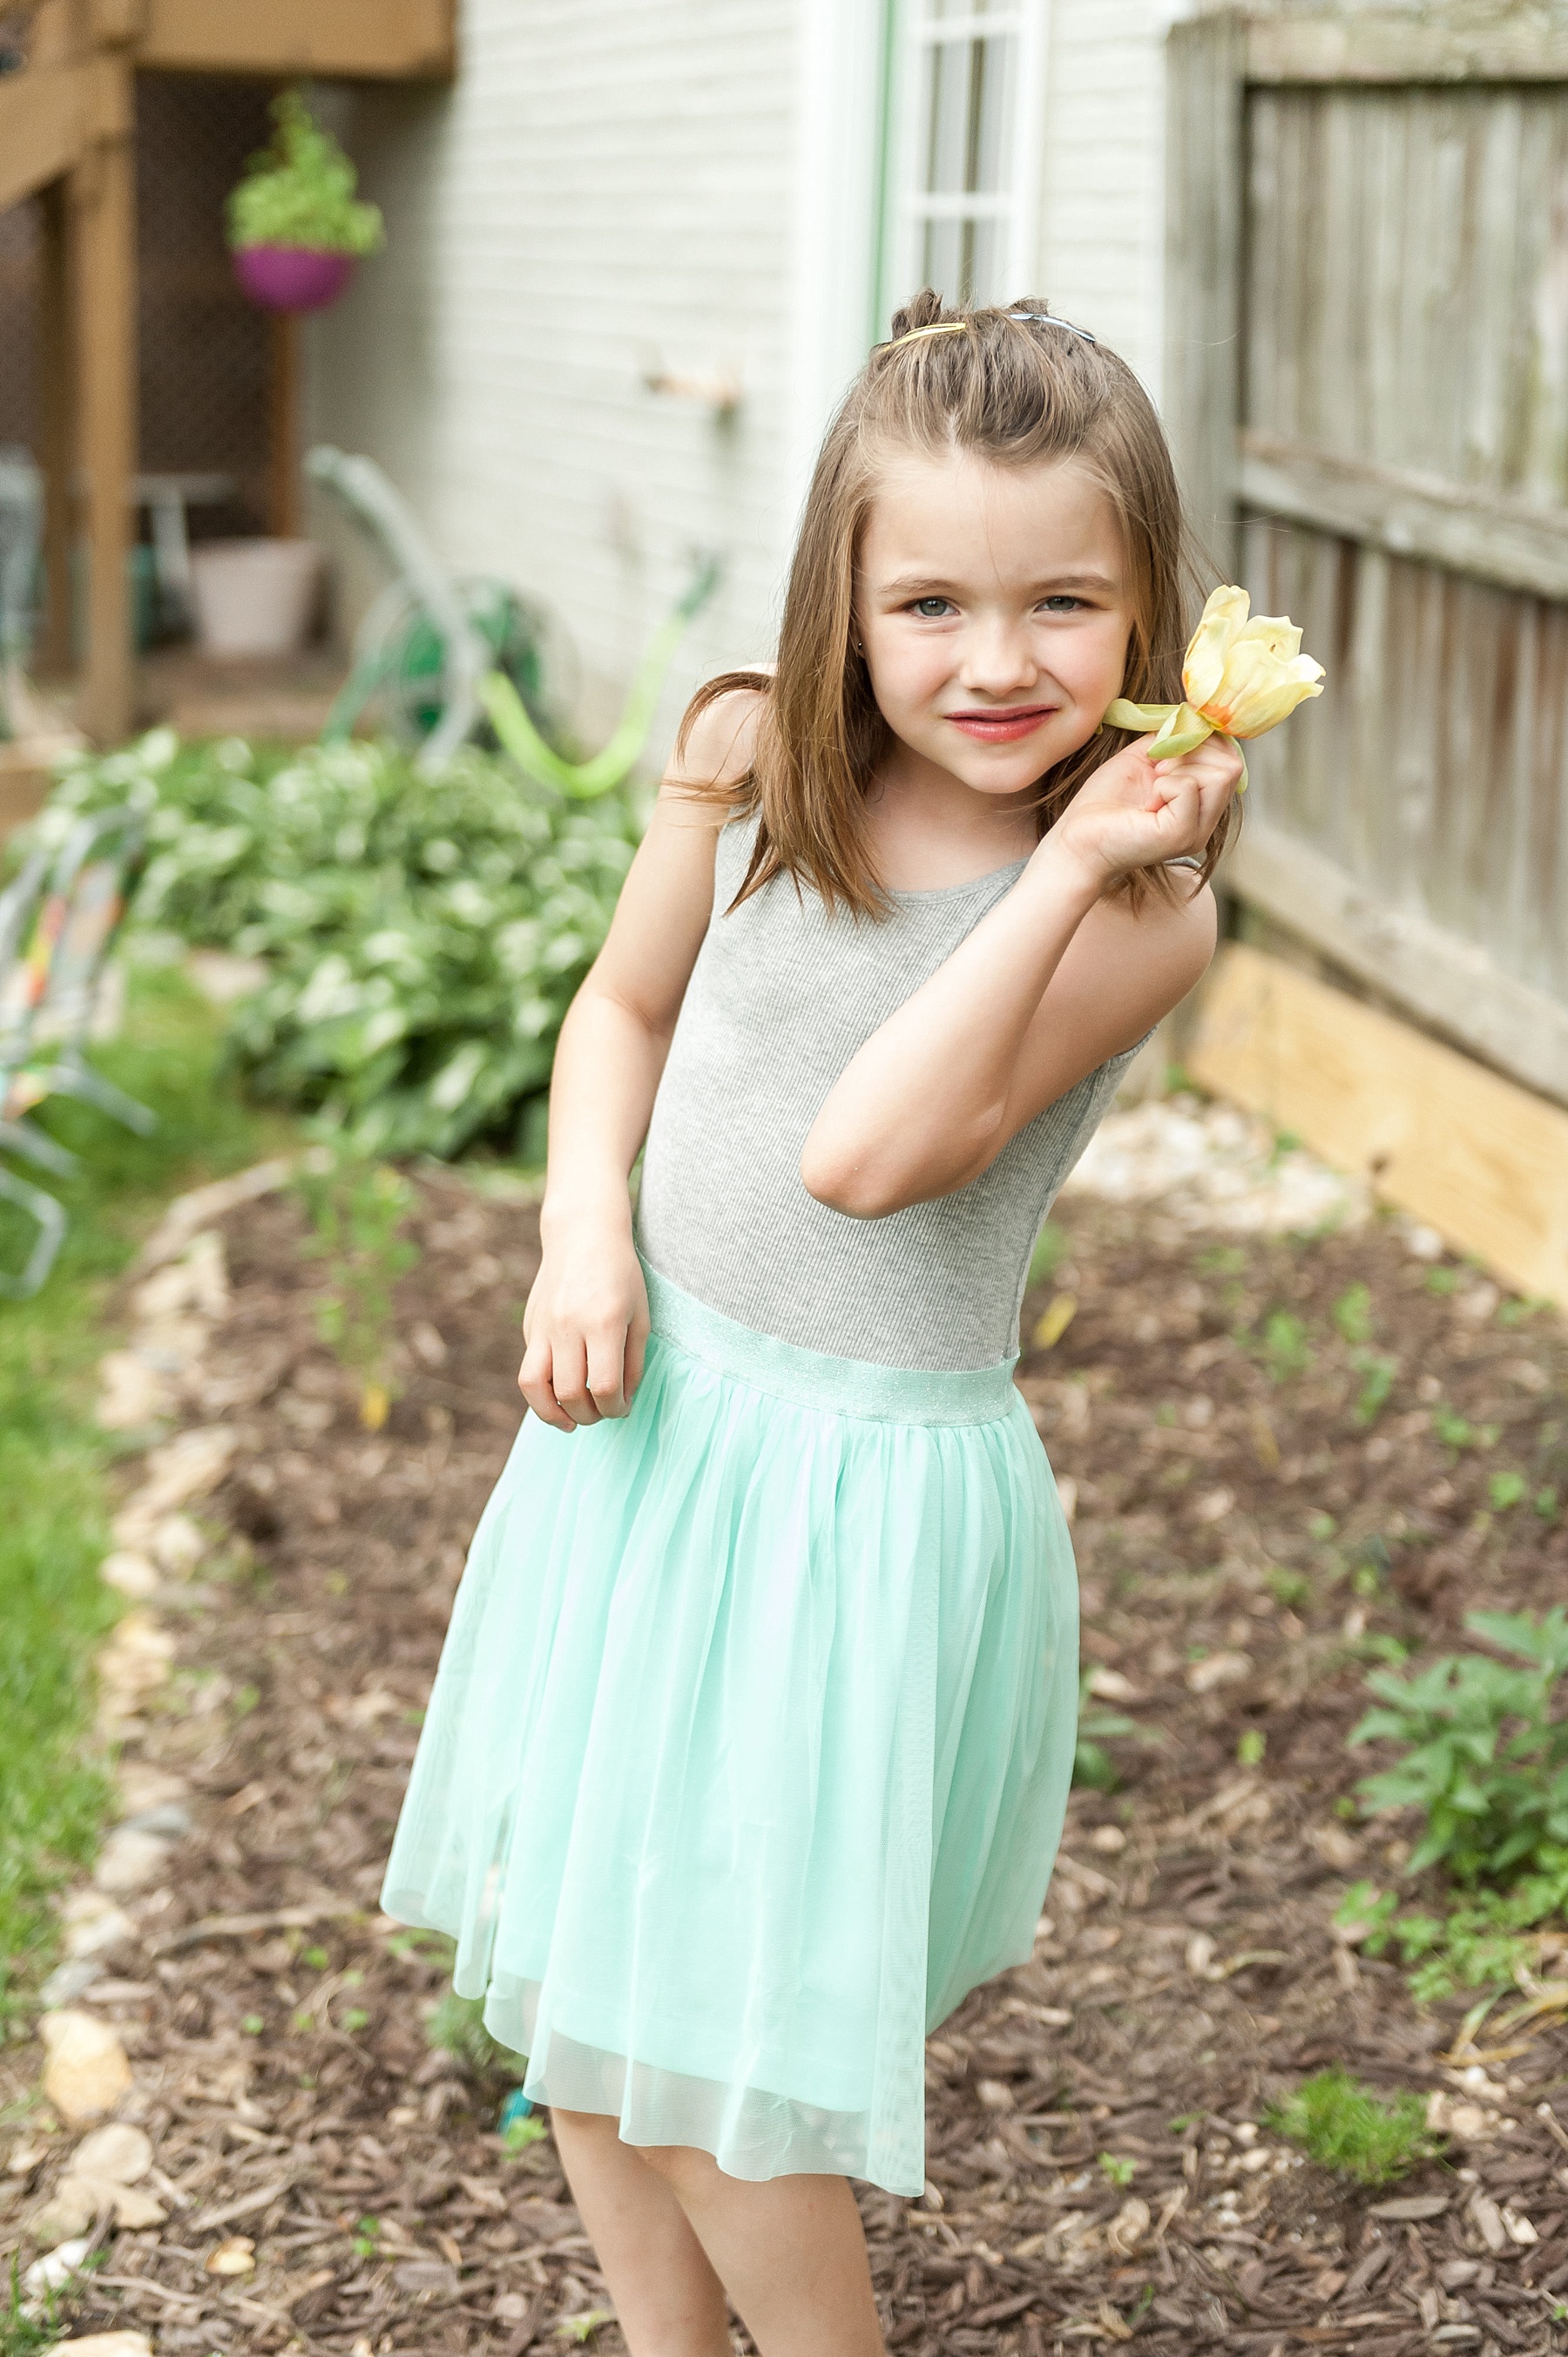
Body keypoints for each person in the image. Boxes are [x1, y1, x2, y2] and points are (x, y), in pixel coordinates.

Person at [382, 289, 1243, 2355]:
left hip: (846, 1506)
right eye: (930, 602)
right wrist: (581, 1221)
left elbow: (869, 1158)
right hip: (646, 1439)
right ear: (841, 598)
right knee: (592, 1992)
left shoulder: (1136, 910)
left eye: (1065, 604)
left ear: (1151, 621)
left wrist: (1054, 880)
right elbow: (628, 1010)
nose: (1000, 661)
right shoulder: (745, 753)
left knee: (733, 2059)